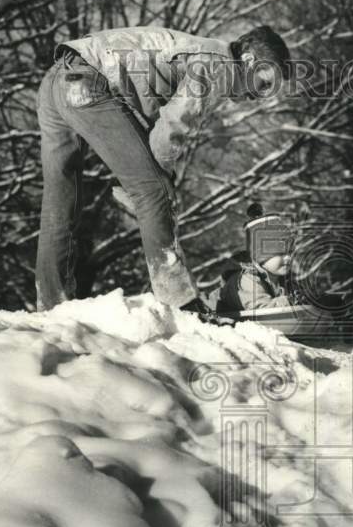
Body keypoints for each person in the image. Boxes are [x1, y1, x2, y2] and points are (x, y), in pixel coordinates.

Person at [35, 25, 291, 313]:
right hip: (86, 83)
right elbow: (172, 126)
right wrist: (154, 182)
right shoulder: (220, 65)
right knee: (154, 191)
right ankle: (181, 302)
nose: (261, 96)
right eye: (264, 83)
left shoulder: (202, 52)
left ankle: (51, 304)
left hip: (57, 79)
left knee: (61, 200)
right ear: (248, 60)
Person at [212, 202, 294, 314]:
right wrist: (291, 302)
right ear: (260, 255)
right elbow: (262, 311)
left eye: (290, 252)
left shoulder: (282, 277)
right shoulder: (247, 279)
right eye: (280, 253)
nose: (288, 258)